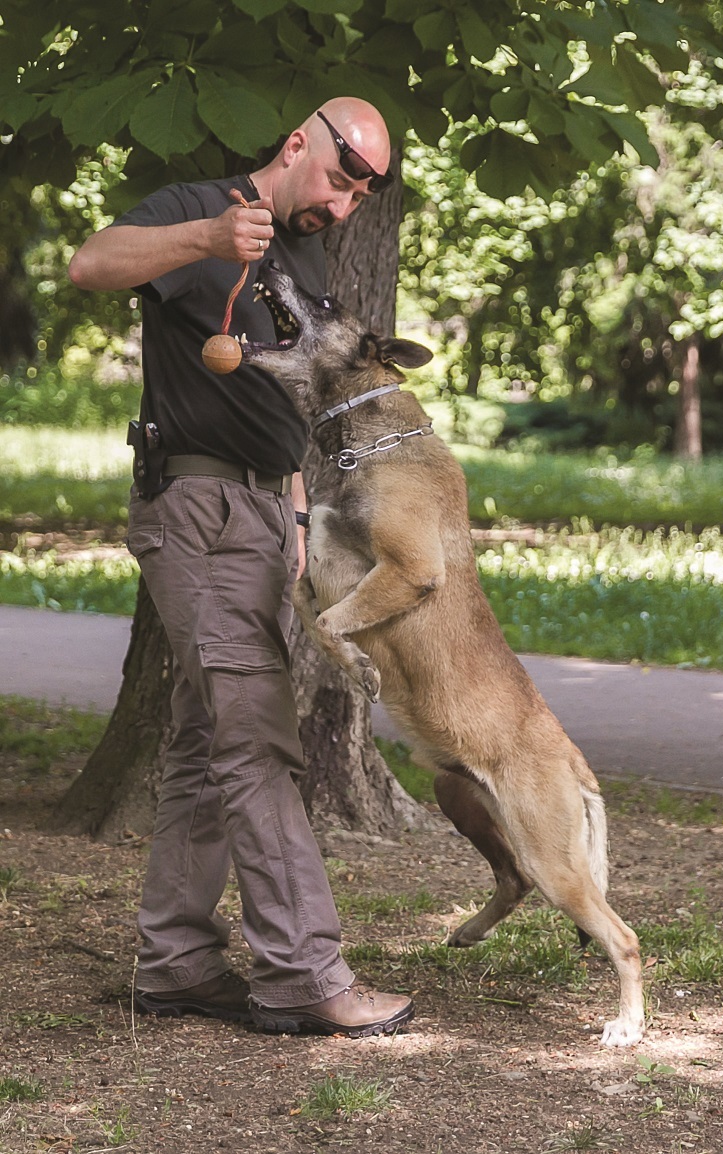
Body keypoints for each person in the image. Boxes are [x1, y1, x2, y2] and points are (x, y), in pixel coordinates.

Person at [68, 97, 414, 1038]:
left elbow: (286, 389)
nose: (343, 209)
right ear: (300, 142)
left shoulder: (306, 250)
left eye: (361, 199)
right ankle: (305, 975)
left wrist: (295, 502)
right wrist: (206, 236)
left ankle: (176, 963)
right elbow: (90, 263)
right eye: (340, 183)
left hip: (263, 509)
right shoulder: (200, 209)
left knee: (201, 741)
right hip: (198, 508)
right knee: (256, 739)